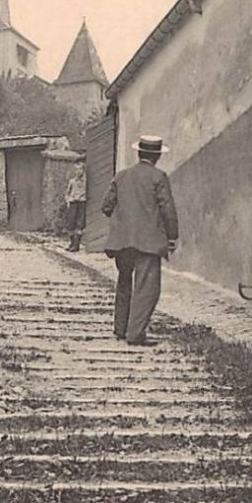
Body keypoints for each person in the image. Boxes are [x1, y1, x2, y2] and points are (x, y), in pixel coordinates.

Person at [101, 134, 179, 346]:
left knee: (124, 282)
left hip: (122, 242)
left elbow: (106, 206)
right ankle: (135, 335)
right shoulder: (159, 177)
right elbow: (168, 210)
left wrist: (124, 220)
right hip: (147, 242)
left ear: (139, 153)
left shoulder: (121, 176)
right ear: (157, 157)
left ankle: (120, 328)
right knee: (146, 288)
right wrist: (172, 237)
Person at [64, 161, 87, 252]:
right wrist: (68, 201)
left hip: (81, 203)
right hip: (73, 203)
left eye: (80, 169)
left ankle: (76, 245)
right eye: (76, 169)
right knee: (70, 223)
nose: (78, 171)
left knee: (79, 224)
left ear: (83, 170)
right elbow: (67, 193)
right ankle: (72, 243)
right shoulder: (72, 181)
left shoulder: (86, 182)